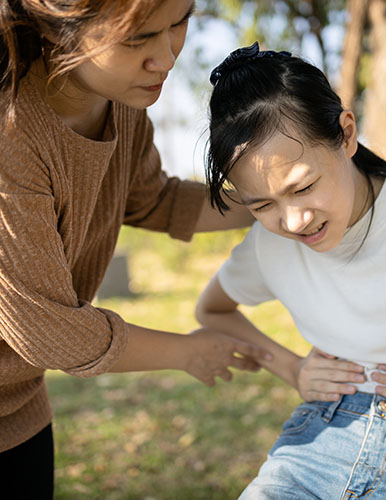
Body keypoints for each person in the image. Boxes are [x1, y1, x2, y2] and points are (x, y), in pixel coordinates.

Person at [196, 42, 386, 499]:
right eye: (262, 204)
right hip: (310, 445)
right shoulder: (269, 244)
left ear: (346, 133)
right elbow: (213, 310)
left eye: (304, 186)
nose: (293, 221)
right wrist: (293, 369)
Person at [0, 3, 272, 499]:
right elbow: (48, 330)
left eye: (179, 23)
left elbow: (154, 199)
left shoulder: (121, 103)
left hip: (19, 409)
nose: (166, 58)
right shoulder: (10, 140)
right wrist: (185, 351)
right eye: (136, 39)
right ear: (57, 28)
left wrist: (279, 197)